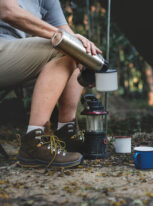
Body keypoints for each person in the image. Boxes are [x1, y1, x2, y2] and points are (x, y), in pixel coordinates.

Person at [0, 0, 102, 168]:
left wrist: (87, 57)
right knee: (64, 46)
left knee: (76, 51)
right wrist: (64, 39)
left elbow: (66, 33)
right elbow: (8, 11)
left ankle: (66, 135)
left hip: (11, 55)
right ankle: (33, 142)